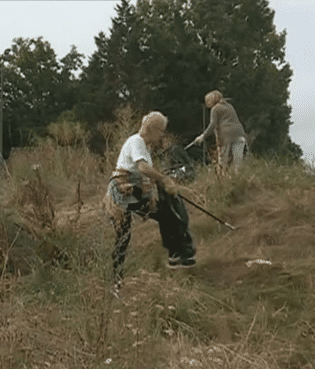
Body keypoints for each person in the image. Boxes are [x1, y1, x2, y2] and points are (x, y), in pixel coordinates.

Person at [105, 111, 196, 288]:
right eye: (161, 131)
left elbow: (143, 173)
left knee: (165, 214)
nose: (162, 135)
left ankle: (176, 255)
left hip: (134, 192)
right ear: (152, 129)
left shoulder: (144, 146)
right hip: (122, 193)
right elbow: (143, 167)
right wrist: (164, 179)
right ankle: (116, 280)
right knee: (123, 236)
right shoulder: (136, 141)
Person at [193, 90, 247, 172]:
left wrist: (202, 136)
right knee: (237, 163)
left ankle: (223, 182)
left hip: (226, 137)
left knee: (223, 163)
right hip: (239, 135)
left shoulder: (215, 109)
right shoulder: (229, 106)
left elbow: (212, 125)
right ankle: (238, 181)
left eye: (207, 101)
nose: (206, 103)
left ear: (212, 100)